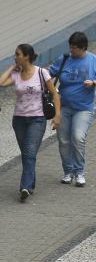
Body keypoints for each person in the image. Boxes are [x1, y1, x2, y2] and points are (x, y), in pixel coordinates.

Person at [0, 44, 61, 202]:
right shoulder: (17, 74)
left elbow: (55, 94)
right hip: (19, 120)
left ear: (26, 56)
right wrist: (12, 67)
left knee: (29, 152)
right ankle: (30, 183)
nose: (15, 56)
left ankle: (25, 187)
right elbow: (1, 82)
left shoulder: (41, 72)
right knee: (27, 153)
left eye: (18, 54)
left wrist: (57, 116)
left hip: (37, 119)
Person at [50, 31, 96, 188]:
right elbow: (49, 74)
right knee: (63, 140)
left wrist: (93, 83)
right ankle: (68, 171)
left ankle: (79, 172)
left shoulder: (93, 60)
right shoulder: (64, 59)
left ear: (83, 47)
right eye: (70, 46)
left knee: (77, 137)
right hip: (63, 106)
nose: (72, 50)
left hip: (83, 108)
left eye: (75, 47)